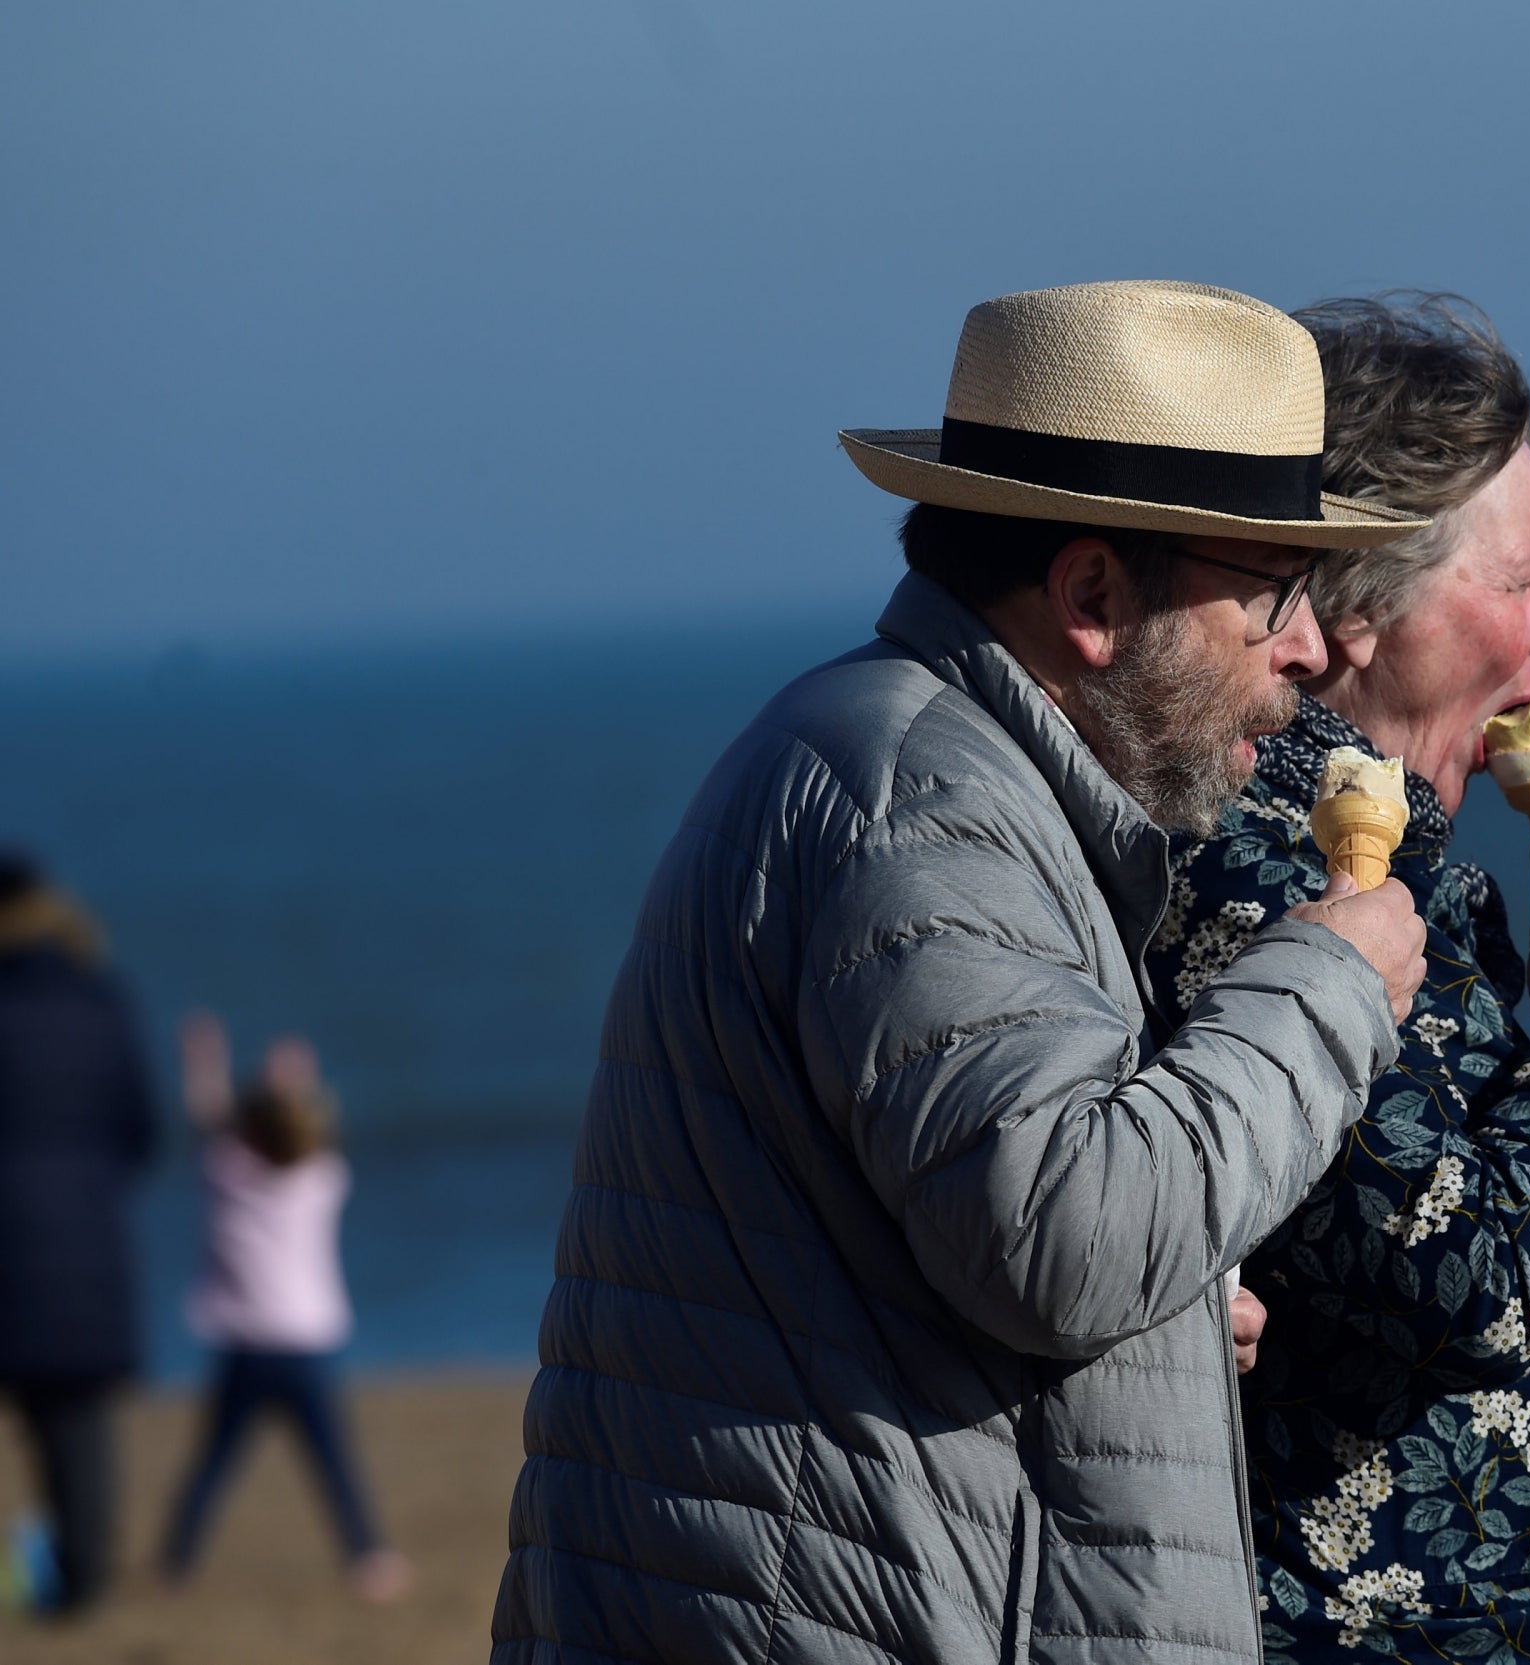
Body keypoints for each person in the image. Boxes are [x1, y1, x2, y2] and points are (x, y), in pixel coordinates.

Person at [492, 281, 1433, 1665]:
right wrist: (1328, 987)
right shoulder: (921, 798)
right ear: (1095, 596)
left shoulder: (936, 769)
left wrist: (1162, 1327)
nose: (1311, 649)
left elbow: (974, 1227)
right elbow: (1066, 1238)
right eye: (1272, 592)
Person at [1142, 294, 1530, 1661]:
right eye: (1517, 582)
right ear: (1359, 610)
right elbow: (1478, 1289)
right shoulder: (1268, 887)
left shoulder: (1426, 884)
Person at [157, 1015, 410, 1602]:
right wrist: (295, 1084)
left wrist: (204, 1061)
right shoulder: (320, 1180)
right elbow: (310, 1129)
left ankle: (175, 1563)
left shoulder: (227, 1175)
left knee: (214, 1461)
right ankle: (369, 1560)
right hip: (304, 1345)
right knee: (333, 1461)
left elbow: (210, 1118)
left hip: (246, 1344)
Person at [0, 855, 157, 1619]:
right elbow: (141, 1130)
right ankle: (83, 1580)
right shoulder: (103, 999)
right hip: (84, 1239)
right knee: (76, 1421)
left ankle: (50, 1577)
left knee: (53, 1415)